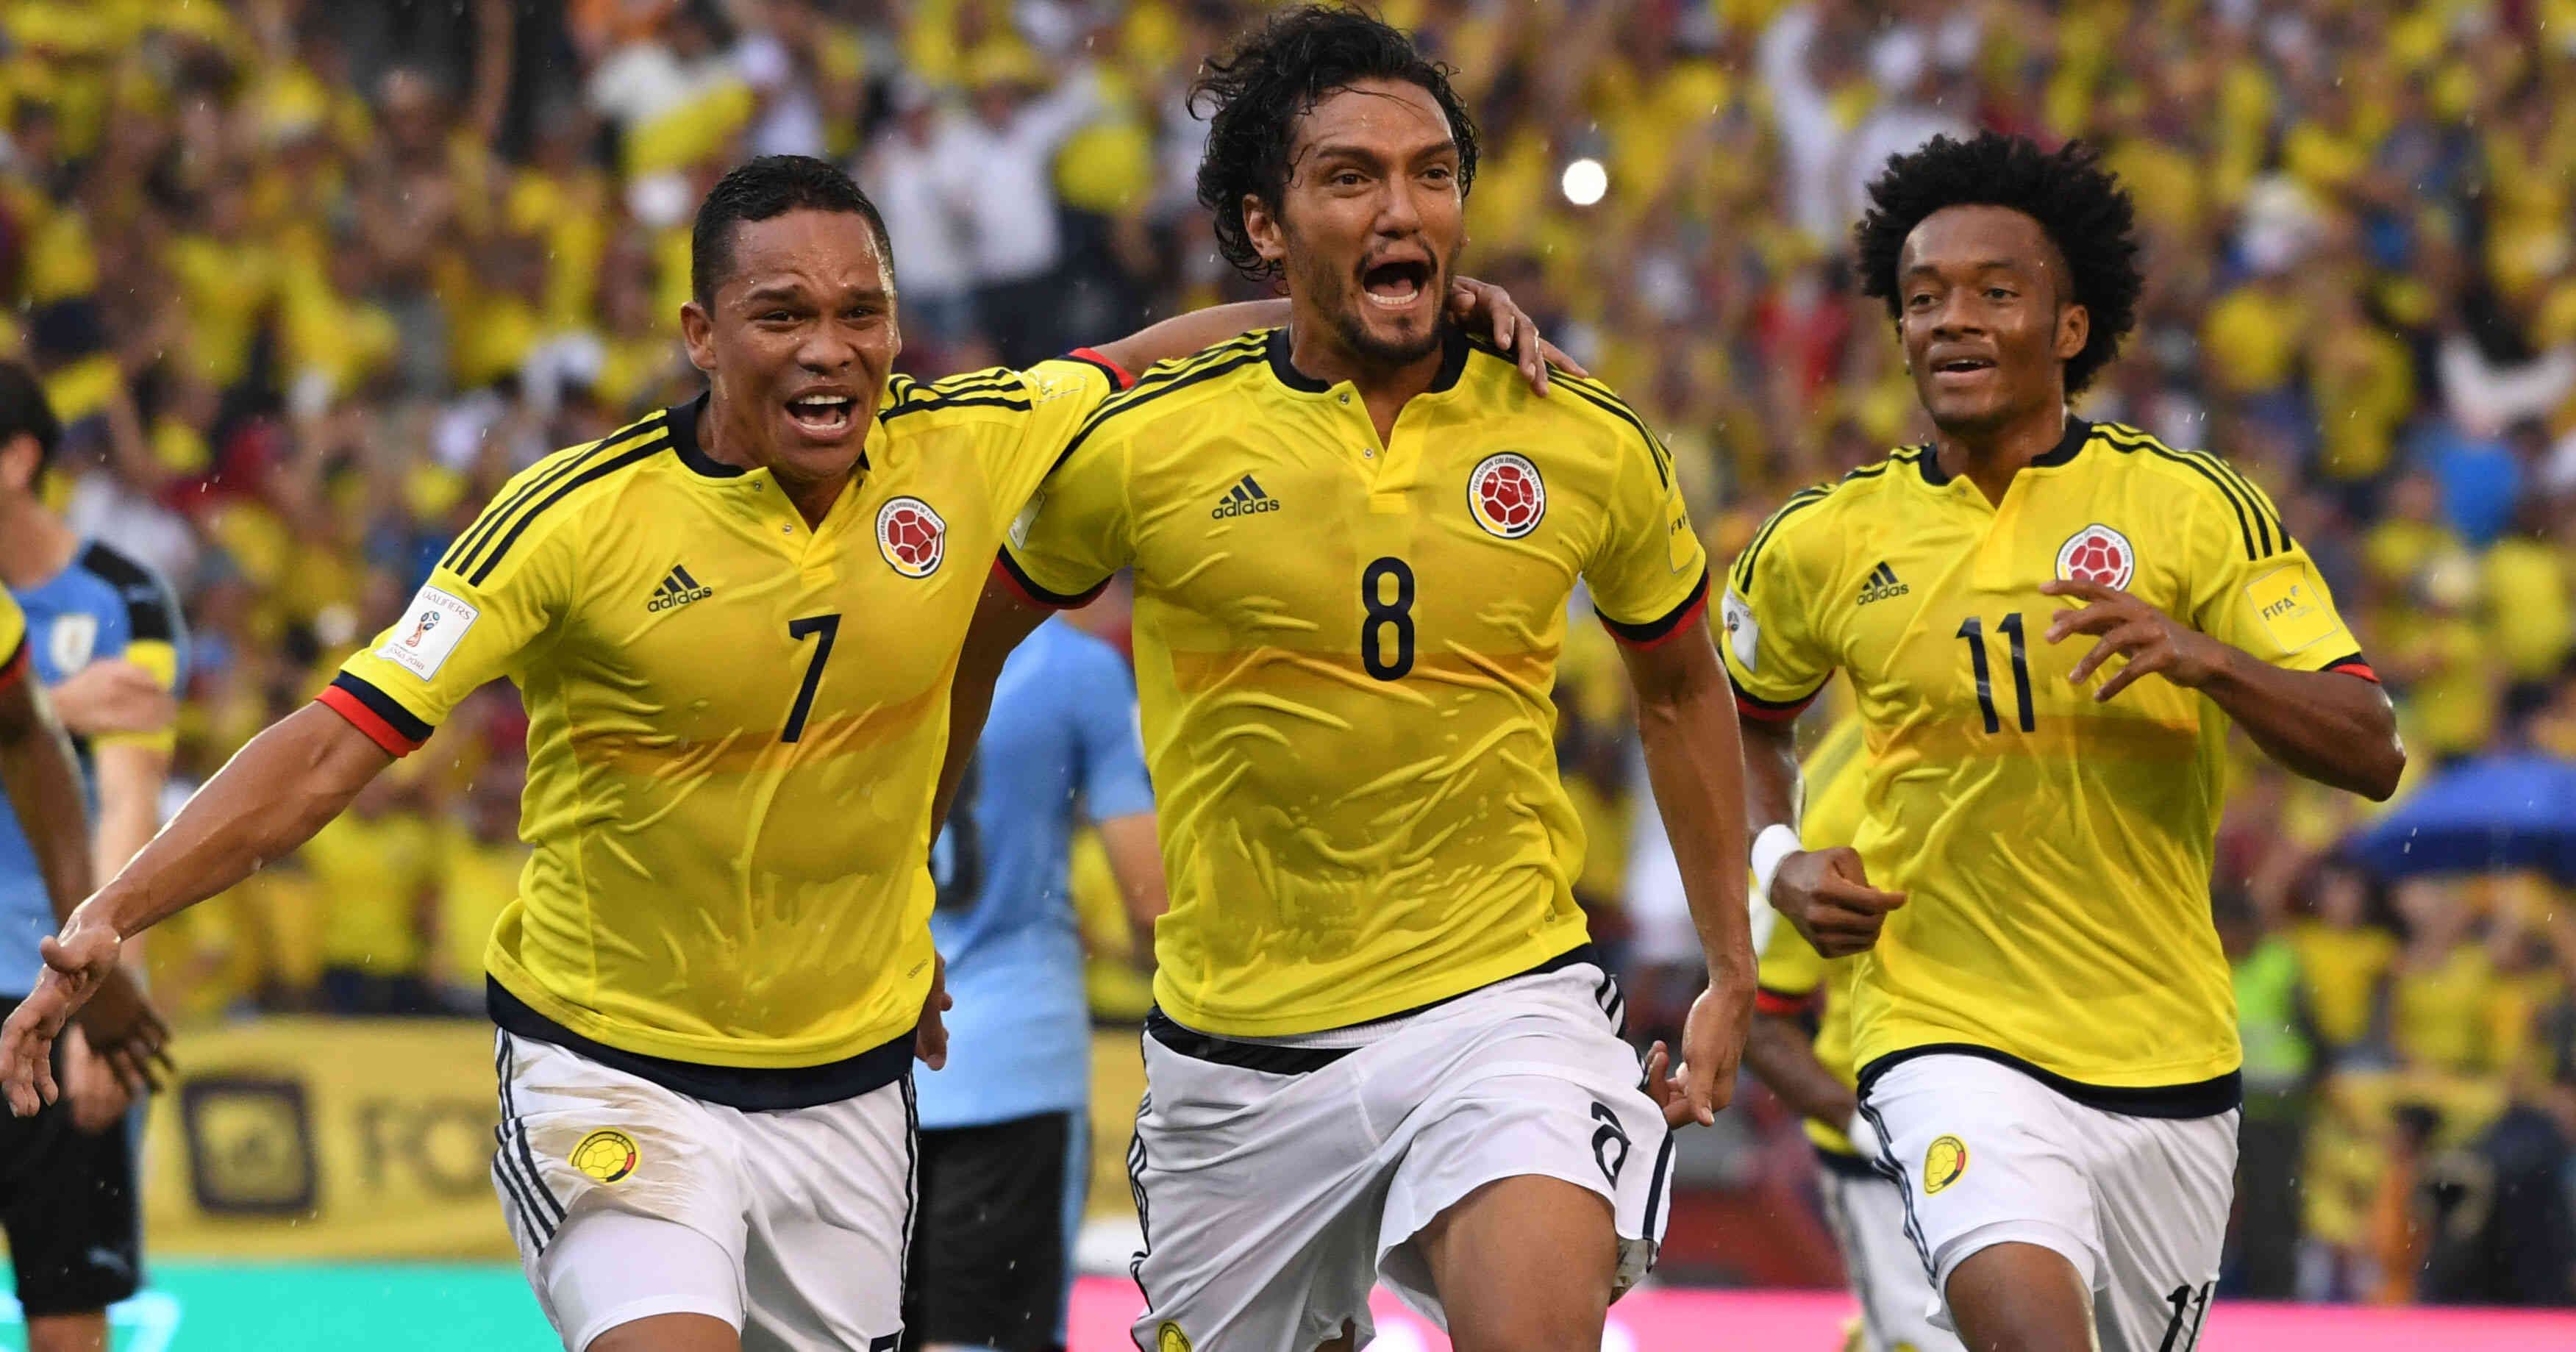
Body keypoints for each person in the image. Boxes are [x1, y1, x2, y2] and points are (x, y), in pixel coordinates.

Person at [0, 153, 1559, 1352]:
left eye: (859, 310)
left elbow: (1164, 352)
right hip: (613, 1071)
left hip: (845, 1096)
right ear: (699, 333)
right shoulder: (573, 519)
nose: (832, 349)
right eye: (783, 315)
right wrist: (113, 913)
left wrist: (1396, 321)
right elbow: (331, 747)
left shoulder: (967, 441)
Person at [952, 10, 1756, 1349]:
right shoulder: (1146, 442)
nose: (1403, 206)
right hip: (1238, 1053)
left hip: (1499, 998)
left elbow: (1677, 691)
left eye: (1430, 173)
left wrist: (1731, 963)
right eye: (1350, 179)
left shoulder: (1584, 435)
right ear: (1265, 223)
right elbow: (971, 648)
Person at [1727, 131, 2404, 1352]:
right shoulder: (1821, 540)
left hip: (2164, 1054)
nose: (1951, 319)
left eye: (1995, 290)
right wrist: (1776, 855)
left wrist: (2206, 657)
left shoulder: (2191, 510)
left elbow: (2368, 744)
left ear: (2071, 326)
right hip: (1942, 1032)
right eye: (1922, 296)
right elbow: (1727, 723)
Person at [905, 615, 1162, 1352]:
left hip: (866, 1060)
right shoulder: (1072, 668)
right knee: (985, 1337)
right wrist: (1119, 950)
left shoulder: (874, 641)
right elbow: (1152, 902)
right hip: (1013, 1061)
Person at [0, 366, 187, 1352]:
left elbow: (129, 802)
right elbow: (35, 735)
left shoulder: (121, 595)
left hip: (45, 977)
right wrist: (61, 707)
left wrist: (100, 982)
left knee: (68, 1305)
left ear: (18, 459)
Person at [1744, 712, 1963, 1352]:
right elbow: (1755, 1017)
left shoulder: (2063, 745)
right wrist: (1863, 1127)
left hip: (2058, 1101)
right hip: (1893, 1147)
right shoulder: (1831, 799)